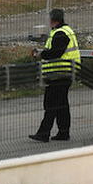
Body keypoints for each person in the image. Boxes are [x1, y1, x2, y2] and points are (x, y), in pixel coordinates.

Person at [29, 8, 79, 142]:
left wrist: (41, 55)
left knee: (51, 104)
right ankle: (63, 132)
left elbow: (56, 52)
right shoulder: (65, 31)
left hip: (59, 74)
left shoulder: (60, 33)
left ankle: (44, 133)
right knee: (61, 104)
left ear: (52, 20)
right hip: (64, 73)